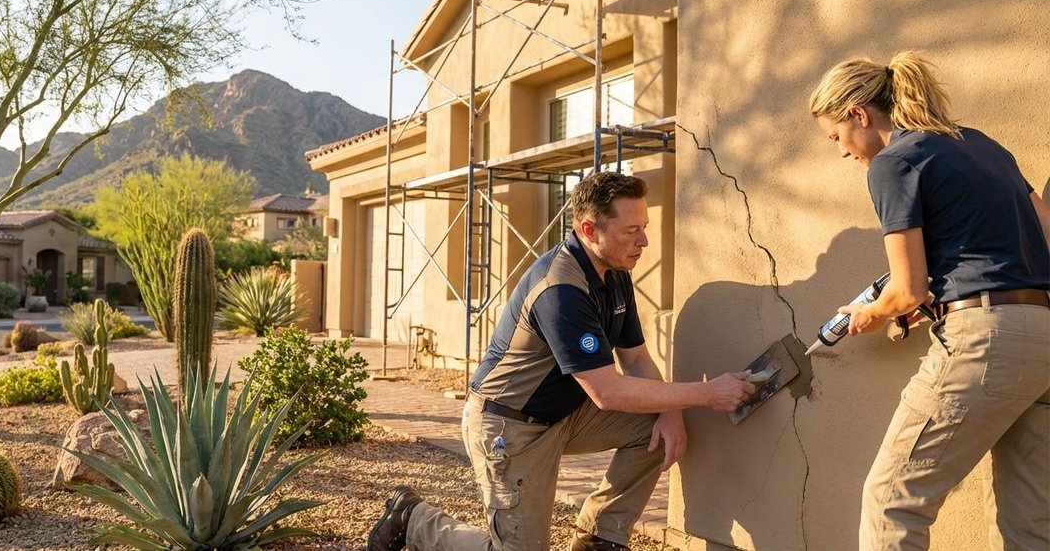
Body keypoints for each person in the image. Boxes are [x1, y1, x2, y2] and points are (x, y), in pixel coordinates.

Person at [367, 171, 755, 551]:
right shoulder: (561, 290)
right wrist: (704, 394)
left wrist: (672, 412)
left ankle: (598, 538)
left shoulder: (614, 272)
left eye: (645, 227)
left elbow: (635, 359)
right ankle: (414, 518)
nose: (645, 241)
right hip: (510, 423)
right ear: (590, 231)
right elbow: (606, 391)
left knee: (653, 422)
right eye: (631, 230)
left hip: (565, 414)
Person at [809, 51, 1050, 550]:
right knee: (1029, 520)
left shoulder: (893, 163)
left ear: (859, 114)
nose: (841, 152)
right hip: (1043, 337)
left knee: (892, 500)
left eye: (836, 136)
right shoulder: (981, 144)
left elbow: (907, 290)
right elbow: (1045, 236)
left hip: (984, 340)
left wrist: (872, 311)